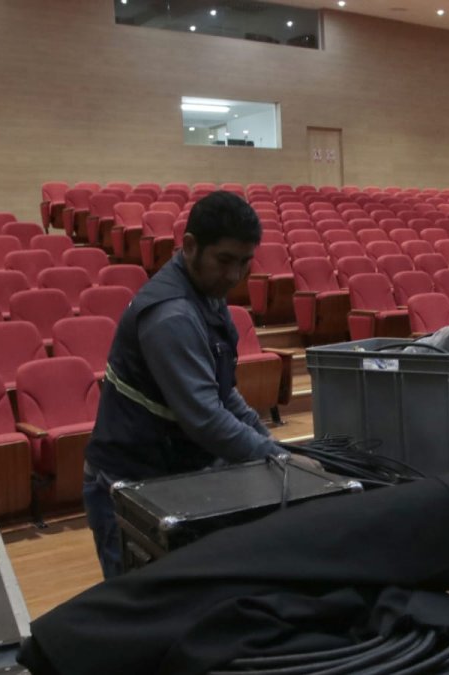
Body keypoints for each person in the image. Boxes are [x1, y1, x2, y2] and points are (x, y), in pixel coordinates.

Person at [83, 190, 304, 578]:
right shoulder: (172, 316)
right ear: (189, 246)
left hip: (172, 475)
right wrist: (276, 459)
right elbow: (204, 418)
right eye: (224, 261)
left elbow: (223, 393)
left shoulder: (207, 294)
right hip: (129, 486)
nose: (234, 276)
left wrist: (275, 450)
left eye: (244, 262)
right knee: (141, 603)